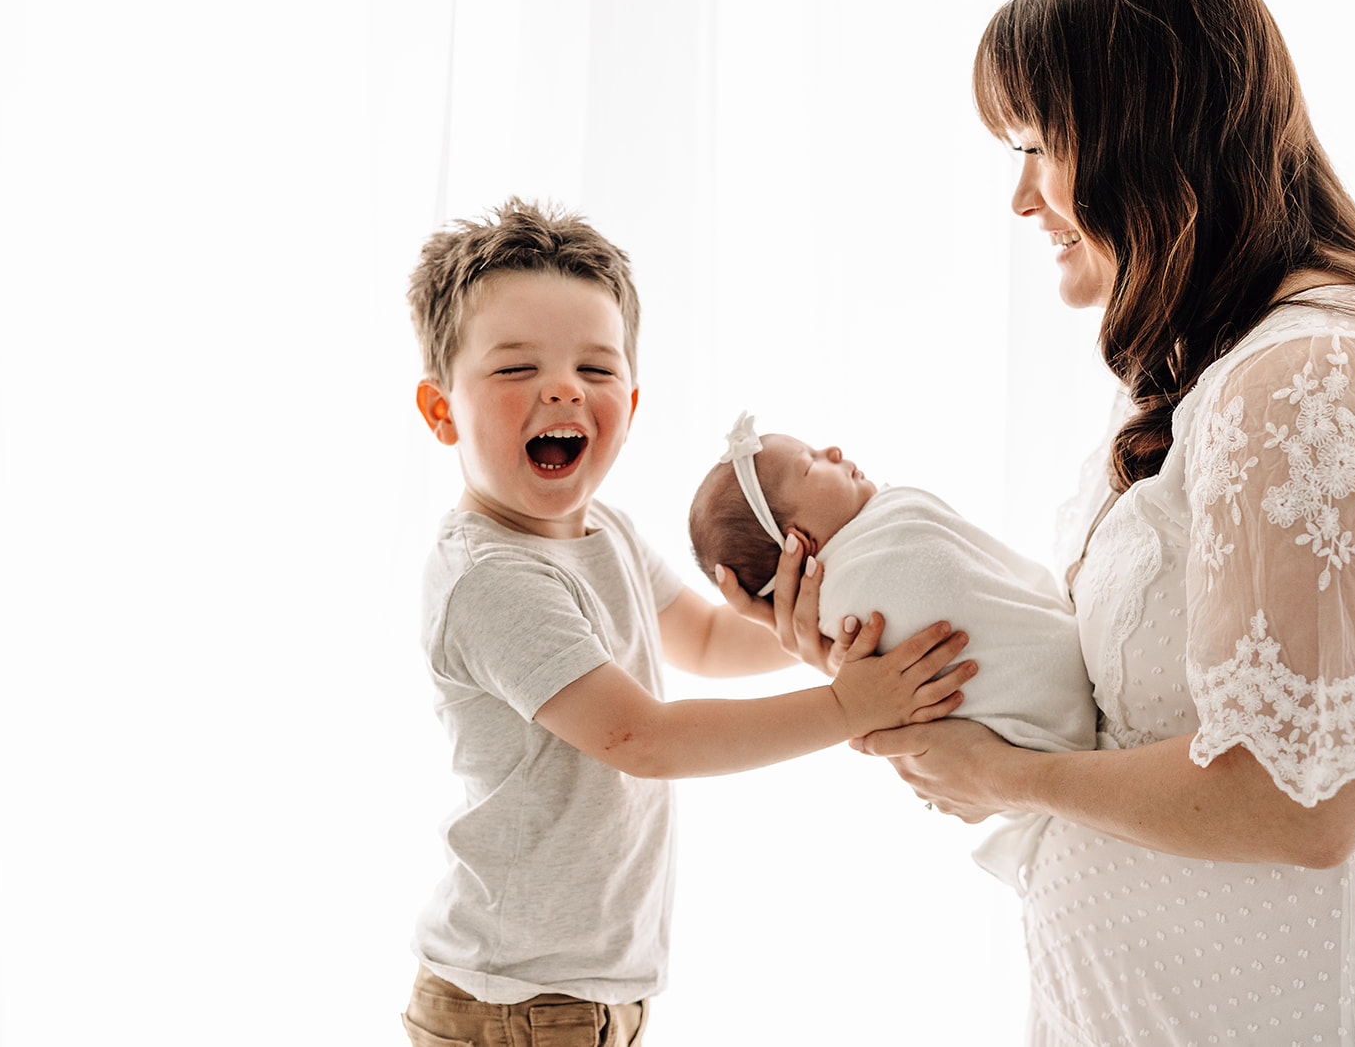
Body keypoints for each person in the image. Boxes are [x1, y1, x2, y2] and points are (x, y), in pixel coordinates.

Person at [721, 0, 1355, 1043]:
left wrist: (1009, 773)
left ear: (1144, 133)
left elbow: (1307, 798)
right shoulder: (1224, 366)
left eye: (1035, 146)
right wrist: (882, 645)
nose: (1020, 199)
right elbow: (1127, 715)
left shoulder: (1313, 375)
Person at [400, 198, 975, 1047]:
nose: (563, 388)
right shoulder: (491, 579)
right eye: (517, 369)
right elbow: (642, 737)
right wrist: (852, 706)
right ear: (441, 409)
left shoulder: (607, 530)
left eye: (594, 371)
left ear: (630, 403)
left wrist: (815, 635)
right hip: (514, 1000)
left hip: (585, 989)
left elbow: (703, 638)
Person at [690, 412, 1096, 762]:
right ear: (799, 539)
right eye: (810, 466)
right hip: (1051, 707)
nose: (831, 451)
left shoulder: (886, 521)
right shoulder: (852, 595)